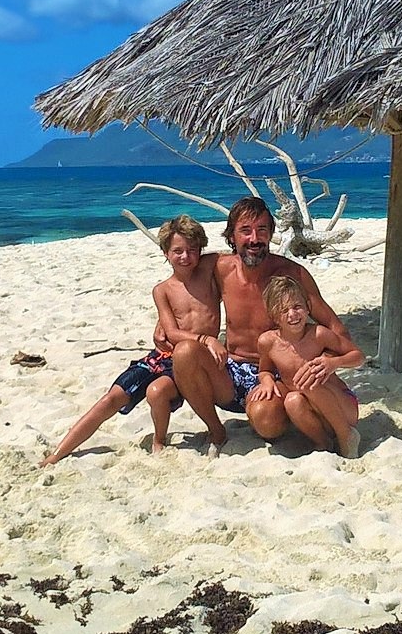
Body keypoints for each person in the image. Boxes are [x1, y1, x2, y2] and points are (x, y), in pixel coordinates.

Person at [166, 196, 360, 455]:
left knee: (266, 422)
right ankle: (216, 431)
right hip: (231, 370)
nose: (254, 239)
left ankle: (294, 416)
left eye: (262, 230)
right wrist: (163, 323)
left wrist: (324, 361)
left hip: (274, 373)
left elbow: (337, 329)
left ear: (270, 233)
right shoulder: (218, 267)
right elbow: (181, 281)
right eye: (245, 231)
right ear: (232, 236)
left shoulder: (291, 275)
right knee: (184, 352)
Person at [39, 215, 221, 466]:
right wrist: (204, 338)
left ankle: (159, 440)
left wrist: (206, 342)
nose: (185, 256)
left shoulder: (210, 270)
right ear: (165, 253)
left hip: (188, 362)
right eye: (177, 251)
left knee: (156, 392)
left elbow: (236, 257)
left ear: (200, 248)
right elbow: (170, 331)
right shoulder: (162, 289)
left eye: (192, 250)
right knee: (111, 398)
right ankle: (58, 453)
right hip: (161, 357)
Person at [255, 275, 365, 457]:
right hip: (315, 413)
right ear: (274, 317)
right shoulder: (268, 342)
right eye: (284, 310)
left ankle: (346, 435)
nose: (292, 314)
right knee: (292, 401)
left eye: (297, 306)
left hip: (343, 407)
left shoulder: (319, 335)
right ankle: (323, 443)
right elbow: (264, 370)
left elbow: (359, 356)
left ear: (307, 307)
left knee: (307, 380)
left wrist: (333, 362)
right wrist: (267, 381)